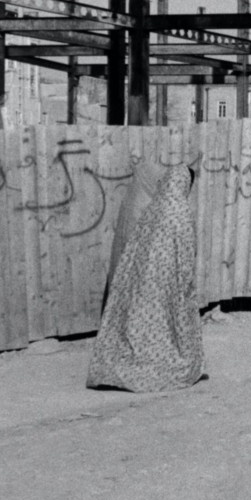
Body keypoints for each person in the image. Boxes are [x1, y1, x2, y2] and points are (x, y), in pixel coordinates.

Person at [87, 164, 205, 391]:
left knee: (143, 326)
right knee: (169, 327)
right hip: (169, 285)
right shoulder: (181, 212)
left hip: (143, 285)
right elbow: (186, 254)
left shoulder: (153, 210)